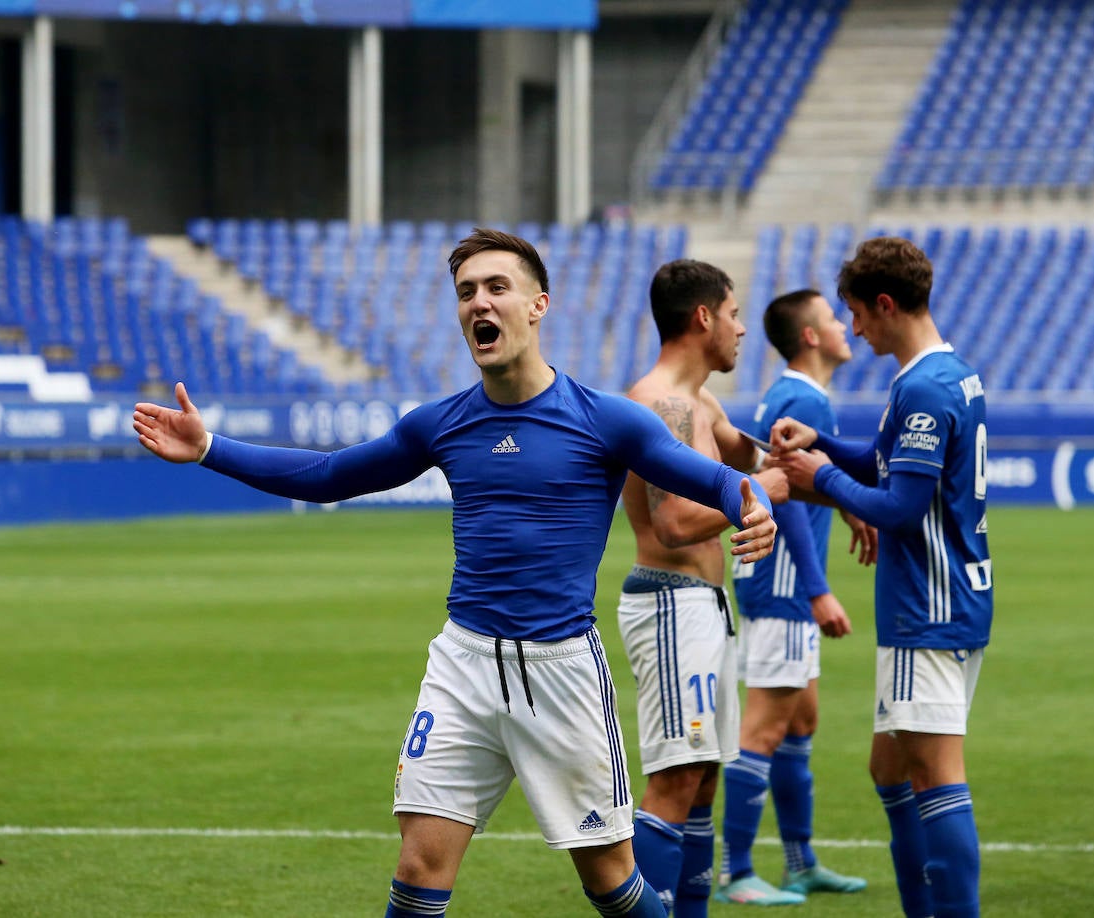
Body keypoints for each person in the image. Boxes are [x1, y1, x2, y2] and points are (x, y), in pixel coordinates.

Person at [131, 229, 779, 918]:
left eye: (497, 287)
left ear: (538, 305)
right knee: (418, 866)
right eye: (466, 292)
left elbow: (716, 481)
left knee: (613, 886)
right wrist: (208, 448)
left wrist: (756, 503)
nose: (479, 303)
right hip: (462, 665)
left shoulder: (607, 420)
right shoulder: (440, 424)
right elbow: (327, 475)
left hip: (560, 673)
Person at [771, 236, 992, 918]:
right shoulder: (943, 374)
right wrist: (825, 447)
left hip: (926, 603)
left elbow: (900, 508)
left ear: (886, 305)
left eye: (858, 314)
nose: (855, 329)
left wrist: (821, 478)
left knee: (933, 776)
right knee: (889, 770)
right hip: (947, 595)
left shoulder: (924, 389)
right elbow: (886, 464)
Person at [616, 259, 820, 915]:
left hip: (704, 606)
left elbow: (752, 457)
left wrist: (790, 453)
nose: (740, 328)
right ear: (703, 317)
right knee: (676, 780)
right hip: (671, 603)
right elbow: (674, 521)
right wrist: (764, 490)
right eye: (733, 314)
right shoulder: (662, 404)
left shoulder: (700, 401)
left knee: (702, 782)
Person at [717, 288, 872, 905]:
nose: (844, 328)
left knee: (800, 720)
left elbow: (809, 491)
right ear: (811, 336)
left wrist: (852, 509)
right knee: (765, 727)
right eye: (834, 319)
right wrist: (819, 591)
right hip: (782, 586)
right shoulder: (802, 399)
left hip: (777, 584)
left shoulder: (799, 397)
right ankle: (735, 873)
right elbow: (791, 502)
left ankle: (801, 862)